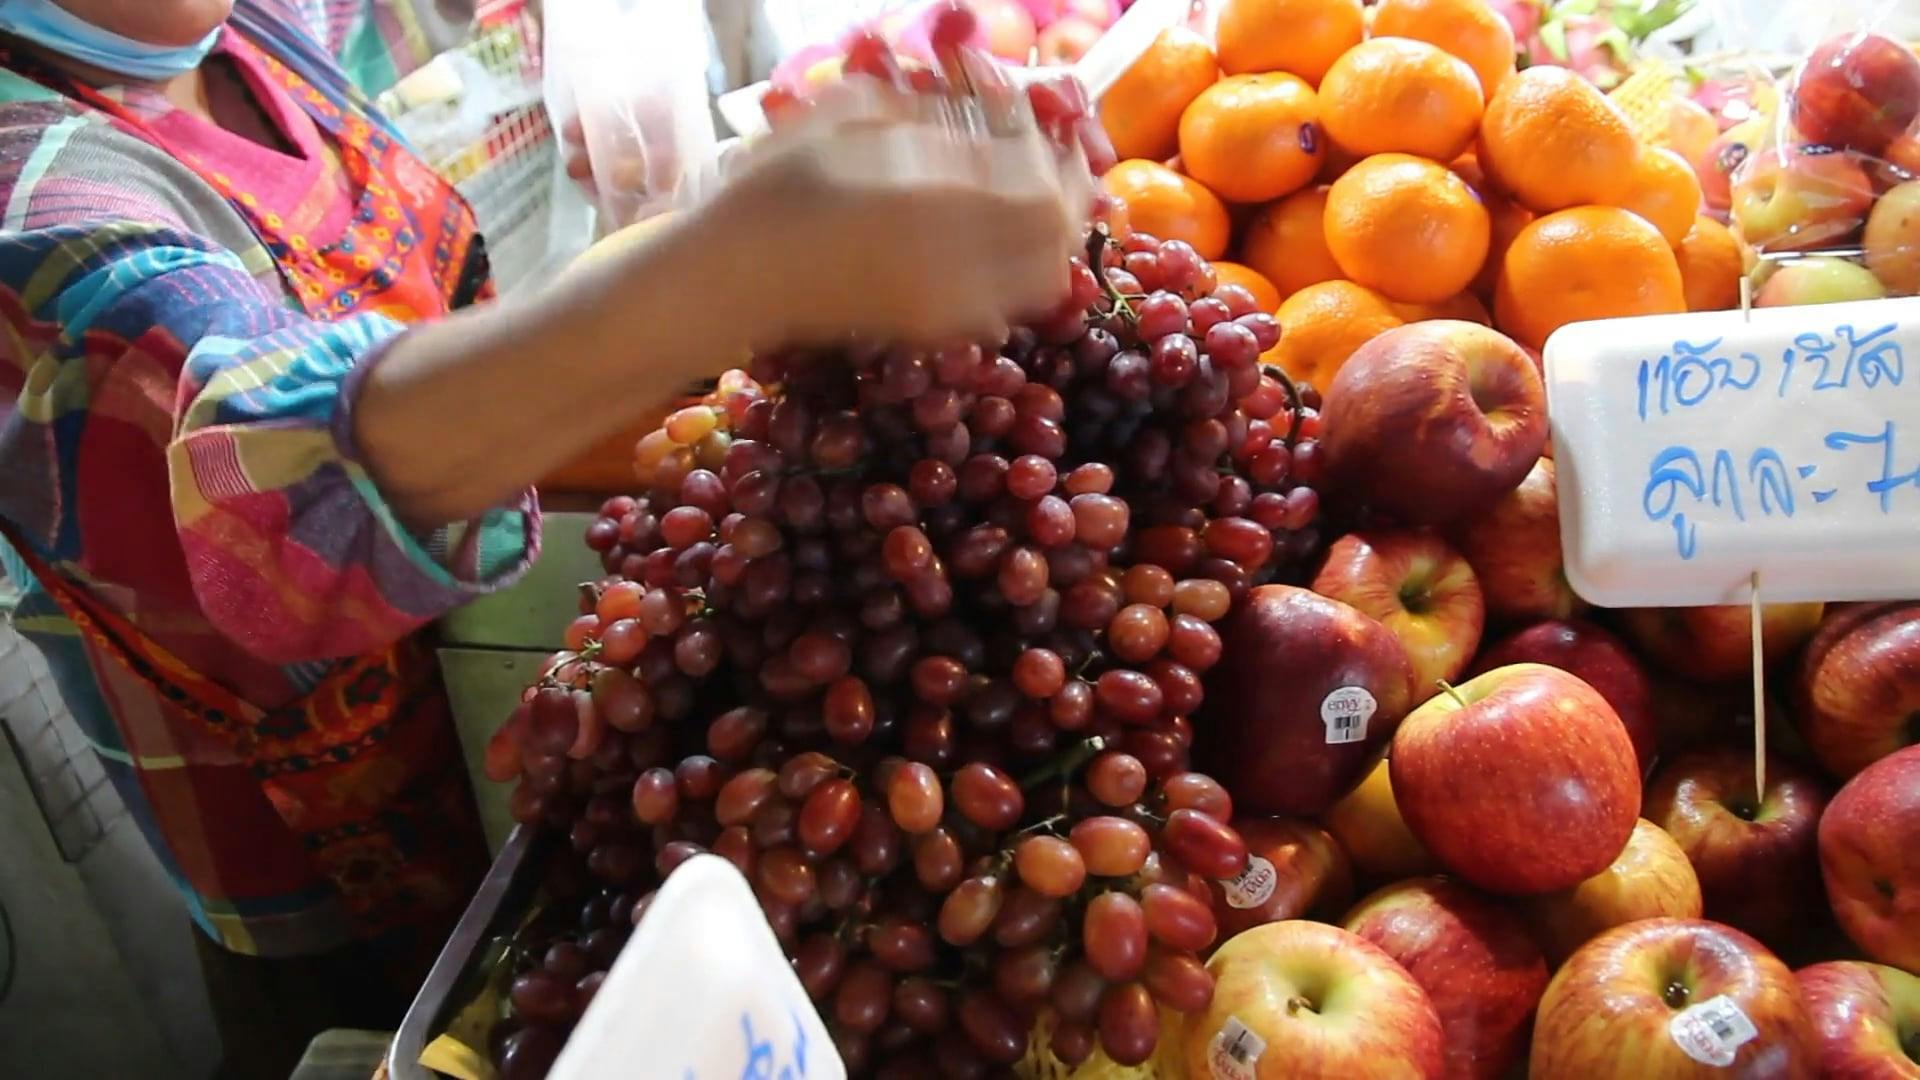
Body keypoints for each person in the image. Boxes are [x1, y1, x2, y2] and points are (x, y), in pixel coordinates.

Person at [0, 1, 1080, 1075]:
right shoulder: (34, 191)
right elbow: (261, 497)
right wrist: (722, 272)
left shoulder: (238, 27)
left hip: (506, 737)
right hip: (335, 879)